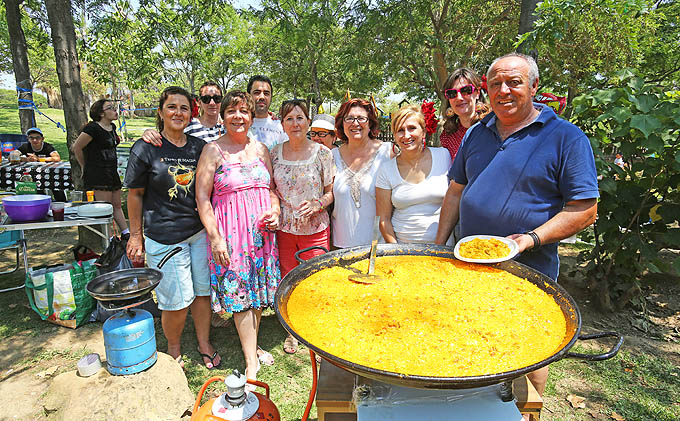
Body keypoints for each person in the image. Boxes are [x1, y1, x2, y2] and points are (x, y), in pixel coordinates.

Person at [435, 53, 599, 401]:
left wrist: (530, 238)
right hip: (470, 266)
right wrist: (438, 247)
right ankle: (479, 402)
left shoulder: (565, 137)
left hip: (529, 269)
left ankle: (527, 413)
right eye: (495, 84)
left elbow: (584, 209)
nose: (503, 90)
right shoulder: (477, 133)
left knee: (530, 348)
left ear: (534, 86)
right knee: (473, 338)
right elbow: (455, 191)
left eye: (514, 82)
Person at [125, 86, 220, 370]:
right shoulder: (145, 148)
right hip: (165, 237)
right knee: (176, 301)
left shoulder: (198, 147)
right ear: (161, 112)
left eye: (183, 108)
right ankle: (174, 349)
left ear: (191, 113)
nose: (178, 112)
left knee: (203, 294)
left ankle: (204, 342)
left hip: (198, 233)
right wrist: (135, 235)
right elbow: (135, 195)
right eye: (171, 107)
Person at [195, 90, 281, 383]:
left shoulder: (260, 150)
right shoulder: (212, 151)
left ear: (250, 115)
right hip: (231, 236)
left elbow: (271, 189)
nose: (238, 117)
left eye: (243, 111)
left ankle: (253, 347)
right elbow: (203, 199)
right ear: (223, 117)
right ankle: (250, 362)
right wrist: (215, 237)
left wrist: (275, 211)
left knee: (256, 294)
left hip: (261, 236)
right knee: (241, 296)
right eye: (232, 112)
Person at [271, 99, 334, 354]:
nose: (295, 123)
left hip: (315, 227)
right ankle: (292, 329)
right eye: (289, 119)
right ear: (282, 123)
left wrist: (317, 204)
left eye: (300, 118)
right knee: (289, 277)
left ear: (308, 121)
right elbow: (271, 188)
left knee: (315, 278)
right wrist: (276, 209)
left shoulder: (323, 154)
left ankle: (315, 329)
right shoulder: (274, 153)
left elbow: (330, 193)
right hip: (285, 229)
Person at [376, 105, 452, 244]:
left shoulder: (444, 156)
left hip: (443, 249)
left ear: (423, 131)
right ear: (394, 136)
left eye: (412, 128)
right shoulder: (386, 170)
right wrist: (397, 251)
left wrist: (439, 247)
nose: (406, 135)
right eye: (400, 130)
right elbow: (383, 220)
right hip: (404, 251)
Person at [331, 98, 392, 248]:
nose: (355, 123)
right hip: (340, 246)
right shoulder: (332, 156)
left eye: (361, 118)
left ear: (370, 123)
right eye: (349, 118)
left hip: (380, 247)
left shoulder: (388, 152)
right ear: (342, 123)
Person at [71, 99, 129, 235]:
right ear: (101, 113)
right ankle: (108, 240)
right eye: (110, 108)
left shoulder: (113, 127)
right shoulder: (93, 129)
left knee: (117, 205)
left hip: (112, 172)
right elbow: (77, 147)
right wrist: (84, 166)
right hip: (98, 173)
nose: (115, 110)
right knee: (105, 208)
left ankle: (126, 234)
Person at [142, 81, 225, 146]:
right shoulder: (188, 124)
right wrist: (149, 133)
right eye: (206, 99)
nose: (212, 103)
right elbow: (167, 137)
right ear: (199, 102)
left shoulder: (227, 127)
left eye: (217, 98)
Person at [439, 67, 490, 160]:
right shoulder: (447, 137)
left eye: (466, 91)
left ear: (477, 93)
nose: (459, 98)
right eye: (452, 93)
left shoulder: (493, 126)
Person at [247, 75, 288, 150]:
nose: (262, 97)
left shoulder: (281, 127)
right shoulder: (239, 124)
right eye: (257, 92)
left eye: (266, 93)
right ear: (249, 95)